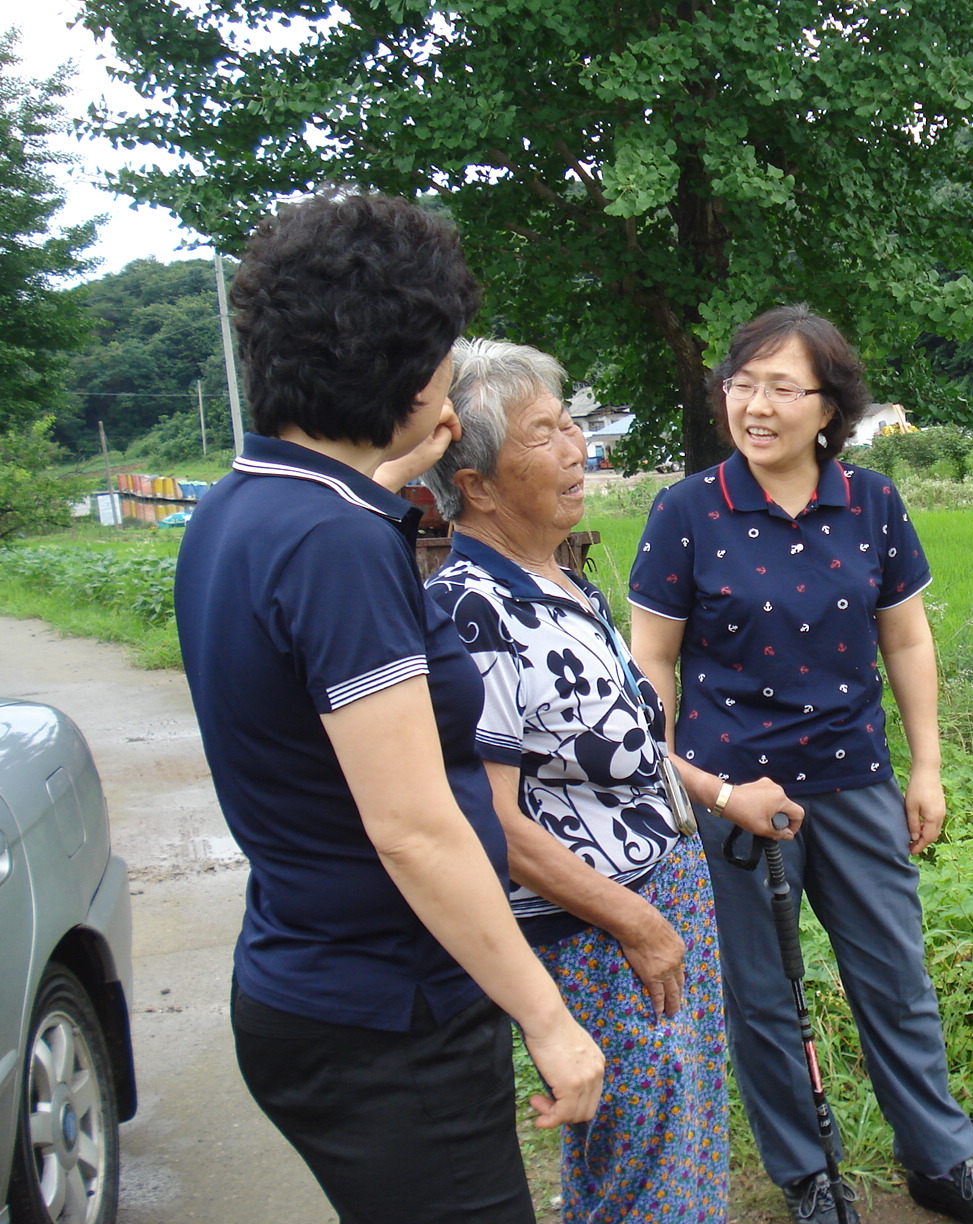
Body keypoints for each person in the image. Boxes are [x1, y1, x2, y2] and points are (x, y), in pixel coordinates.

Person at [172, 192, 603, 1224]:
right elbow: (412, 828)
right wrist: (546, 1017)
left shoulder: (243, 505)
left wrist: (395, 462)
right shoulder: (337, 549)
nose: (452, 377)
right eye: (443, 354)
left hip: (305, 974)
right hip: (390, 1014)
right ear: (402, 371)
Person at [627, 305, 973, 1224]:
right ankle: (808, 1175)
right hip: (734, 796)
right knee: (764, 995)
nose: (756, 406)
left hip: (854, 781)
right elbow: (652, 658)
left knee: (895, 978)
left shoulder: (872, 502)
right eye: (742, 384)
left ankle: (940, 1160)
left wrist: (926, 769)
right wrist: (678, 783)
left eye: (782, 388)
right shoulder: (687, 510)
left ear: (829, 407)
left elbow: (908, 640)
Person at [421, 338, 729, 1224]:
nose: (576, 449)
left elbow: (620, 748)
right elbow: (488, 817)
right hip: (598, 929)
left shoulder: (563, 582)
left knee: (682, 1129)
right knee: (642, 1156)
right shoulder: (475, 610)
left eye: (571, 426)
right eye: (543, 435)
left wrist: (717, 797)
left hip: (662, 893)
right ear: (477, 484)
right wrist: (636, 921)